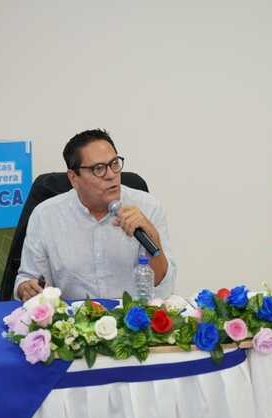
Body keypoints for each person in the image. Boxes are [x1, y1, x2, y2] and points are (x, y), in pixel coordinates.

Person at [15, 129, 177, 301]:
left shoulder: (148, 207)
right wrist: (26, 288)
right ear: (73, 178)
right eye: (98, 168)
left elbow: (163, 287)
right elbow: (28, 278)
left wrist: (152, 235)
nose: (111, 175)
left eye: (114, 164)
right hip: (74, 322)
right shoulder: (45, 215)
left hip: (132, 320)